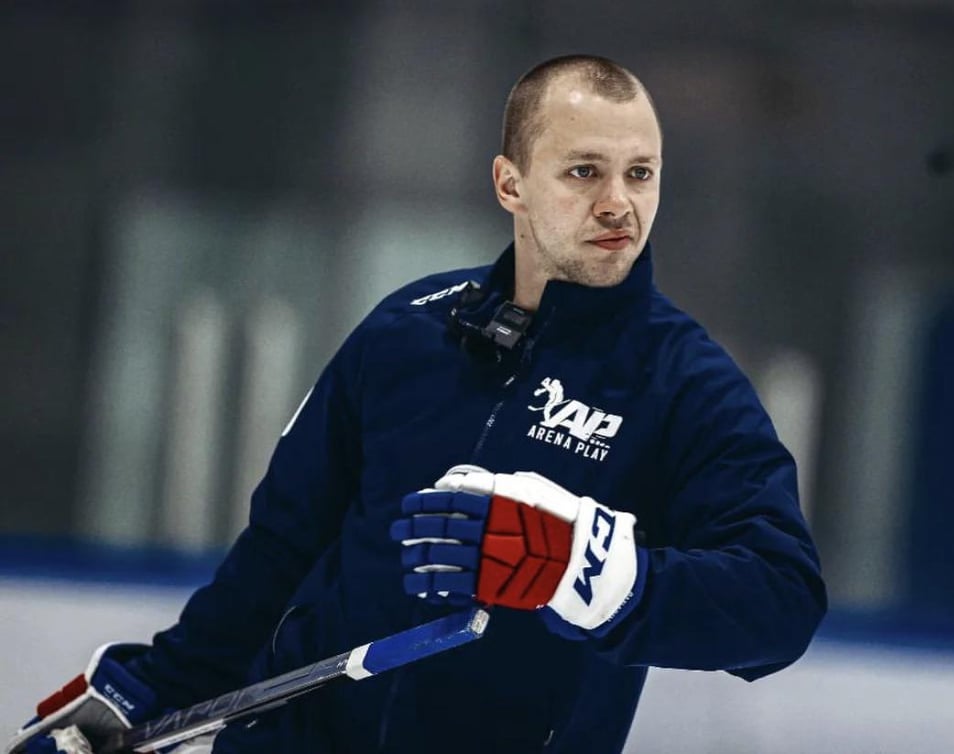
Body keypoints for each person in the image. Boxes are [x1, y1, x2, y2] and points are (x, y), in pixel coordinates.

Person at [7, 54, 827, 754]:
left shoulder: (687, 385)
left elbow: (782, 603)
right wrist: (142, 696)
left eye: (640, 173)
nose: (619, 202)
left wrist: (606, 578)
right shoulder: (409, 329)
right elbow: (278, 553)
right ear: (510, 183)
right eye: (585, 171)